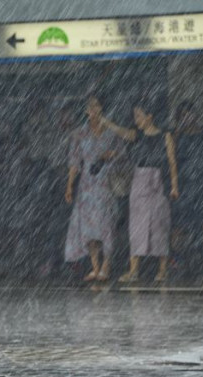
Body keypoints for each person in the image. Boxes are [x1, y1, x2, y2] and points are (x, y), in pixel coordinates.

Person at [102, 96, 179, 282]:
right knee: (136, 226)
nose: (136, 120)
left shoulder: (164, 135)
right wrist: (108, 123)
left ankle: (162, 270)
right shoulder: (137, 136)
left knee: (159, 225)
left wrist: (175, 186)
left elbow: (171, 163)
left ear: (149, 116)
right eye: (135, 116)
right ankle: (134, 270)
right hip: (138, 181)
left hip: (156, 182)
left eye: (139, 115)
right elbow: (123, 133)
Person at [64, 95, 122, 283]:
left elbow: (123, 154)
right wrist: (70, 186)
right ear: (86, 111)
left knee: (106, 225)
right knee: (89, 227)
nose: (94, 110)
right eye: (90, 107)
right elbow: (74, 162)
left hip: (106, 182)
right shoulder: (79, 134)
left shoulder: (111, 132)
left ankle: (106, 265)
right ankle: (95, 266)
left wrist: (111, 155)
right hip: (87, 185)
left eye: (97, 106)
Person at [171, 101, 203, 278]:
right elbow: (171, 157)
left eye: (189, 113)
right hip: (184, 183)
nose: (187, 117)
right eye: (183, 115)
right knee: (179, 224)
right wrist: (178, 129)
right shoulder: (177, 135)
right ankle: (177, 258)